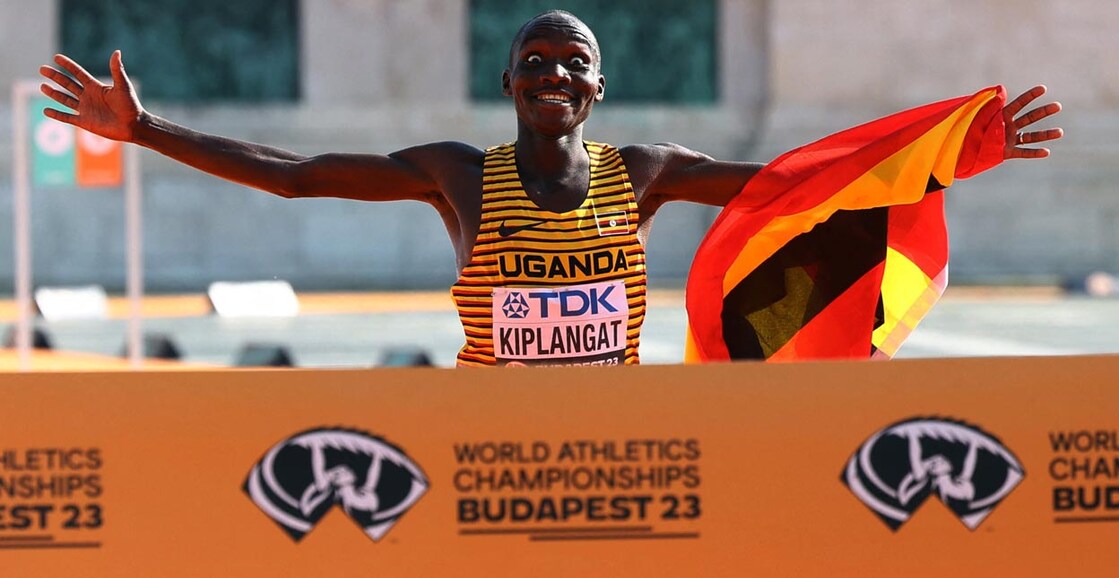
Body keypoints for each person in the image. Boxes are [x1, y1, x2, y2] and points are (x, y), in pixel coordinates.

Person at [38, 10, 1063, 367]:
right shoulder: (459, 177)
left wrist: (955, 150)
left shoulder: (646, 172)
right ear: (508, 83)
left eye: (573, 63)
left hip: (617, 438)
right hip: (485, 441)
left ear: (597, 89)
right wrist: (144, 130)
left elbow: (807, 188)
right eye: (535, 61)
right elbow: (298, 179)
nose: (554, 75)